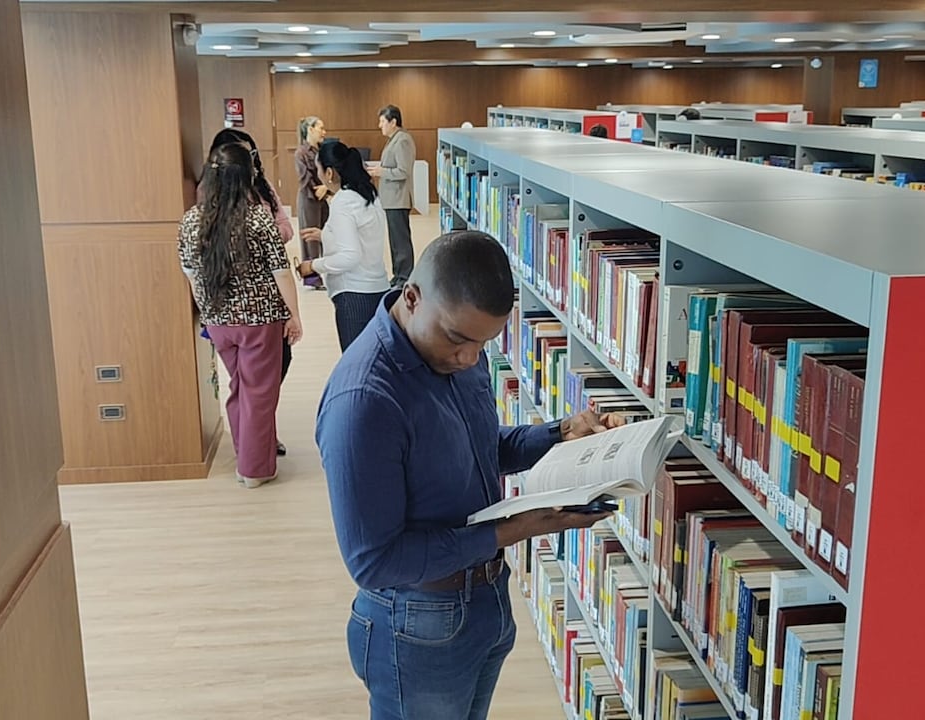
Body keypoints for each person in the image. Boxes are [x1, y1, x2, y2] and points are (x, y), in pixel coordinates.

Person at [315, 230, 624, 720]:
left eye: (483, 343)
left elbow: (478, 449)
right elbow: (373, 561)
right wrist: (517, 529)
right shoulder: (364, 402)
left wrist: (558, 434)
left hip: (484, 600)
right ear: (411, 298)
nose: (469, 359)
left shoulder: (459, 352)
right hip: (416, 624)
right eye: (458, 339)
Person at [179, 143, 303, 489]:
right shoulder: (258, 219)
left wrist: (207, 312)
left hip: (218, 322)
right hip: (259, 321)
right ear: (246, 177)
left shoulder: (191, 220)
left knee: (239, 389)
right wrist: (294, 316)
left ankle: (245, 453)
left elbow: (190, 273)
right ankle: (254, 470)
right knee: (260, 393)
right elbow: (281, 272)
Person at [205, 128, 295, 455]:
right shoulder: (208, 195)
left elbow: (284, 227)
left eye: (251, 155)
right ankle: (256, 447)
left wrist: (265, 236)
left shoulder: (263, 192)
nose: (250, 164)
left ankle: (258, 435)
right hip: (233, 303)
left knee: (272, 371)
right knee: (247, 383)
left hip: (268, 298)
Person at [295, 141, 390, 351]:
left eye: (319, 169)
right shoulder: (367, 194)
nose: (318, 175)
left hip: (354, 296)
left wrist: (313, 266)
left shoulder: (343, 202)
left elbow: (350, 256)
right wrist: (325, 235)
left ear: (329, 173)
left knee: (356, 365)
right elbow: (363, 236)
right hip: (377, 290)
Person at [366, 104, 416, 288]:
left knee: (401, 240)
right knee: (394, 240)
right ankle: (398, 275)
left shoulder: (403, 140)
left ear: (393, 122)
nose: (380, 125)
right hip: (390, 199)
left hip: (398, 198)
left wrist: (381, 172)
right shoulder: (393, 139)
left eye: (382, 121)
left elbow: (403, 171)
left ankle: (405, 277)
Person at [295, 115, 329, 289]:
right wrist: (320, 189)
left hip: (324, 198)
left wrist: (327, 188)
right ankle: (311, 276)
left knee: (326, 234)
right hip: (309, 198)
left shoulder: (323, 150)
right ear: (310, 129)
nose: (324, 132)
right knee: (311, 238)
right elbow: (304, 178)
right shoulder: (301, 152)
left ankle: (327, 269)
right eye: (320, 128)